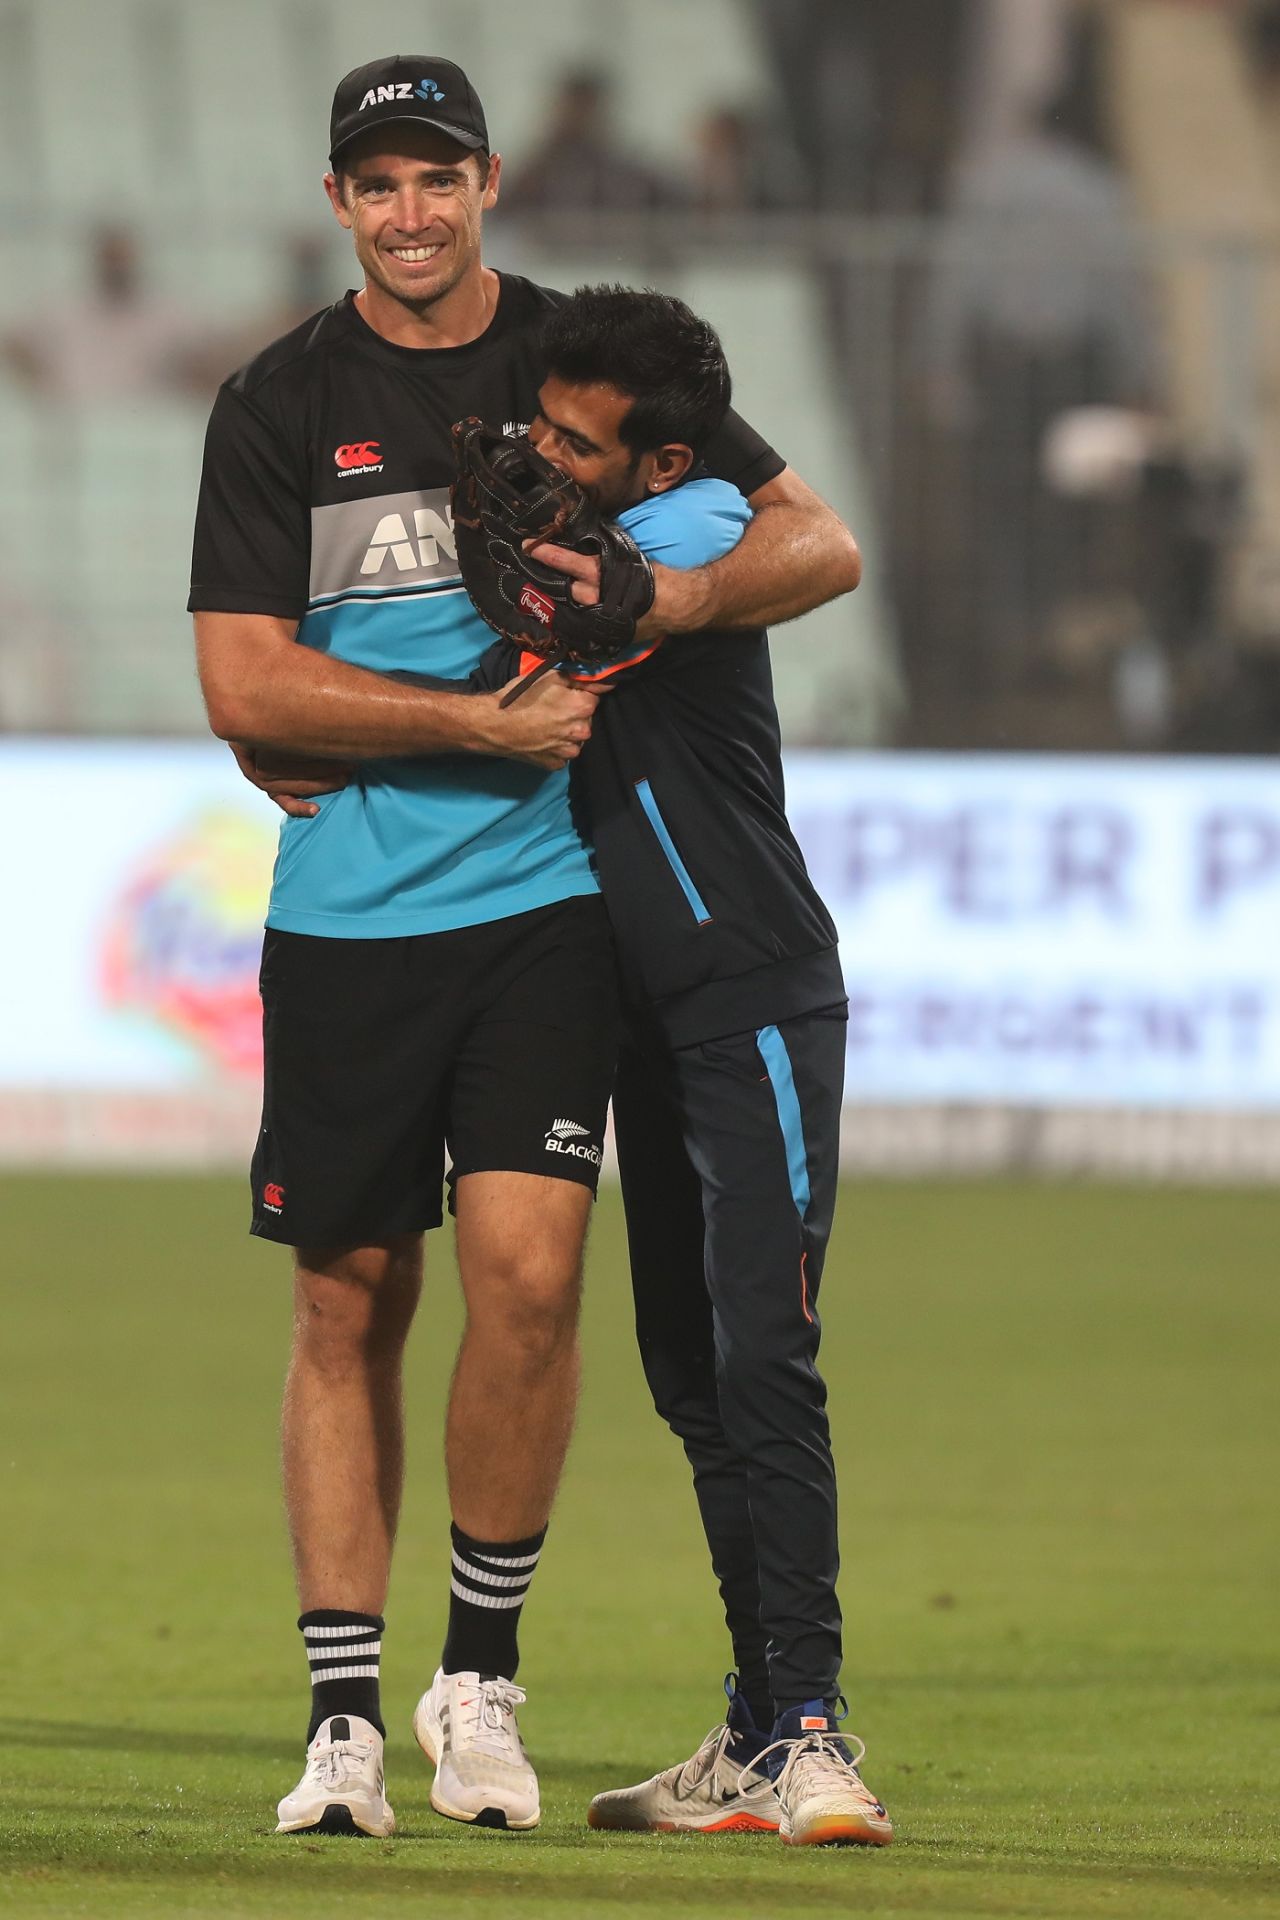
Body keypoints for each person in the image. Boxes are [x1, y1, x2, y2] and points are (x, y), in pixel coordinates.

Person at [188, 55, 861, 1841]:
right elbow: (242, 687)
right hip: (347, 916)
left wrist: (673, 597)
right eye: (376, 183)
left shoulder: (593, 361)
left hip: (552, 909)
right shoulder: (274, 400)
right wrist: (470, 728)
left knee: (536, 1283)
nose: (410, 212)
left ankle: (476, 1687)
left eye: (438, 176)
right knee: (348, 1302)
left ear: (489, 181)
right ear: (340, 201)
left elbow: (810, 539)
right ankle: (340, 1718)